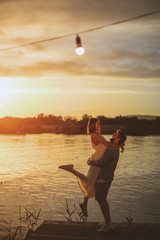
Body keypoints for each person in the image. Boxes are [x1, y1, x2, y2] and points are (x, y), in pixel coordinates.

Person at [59, 118, 124, 217]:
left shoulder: (97, 135)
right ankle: (71, 170)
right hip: (98, 158)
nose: (99, 124)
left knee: (90, 181)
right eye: (97, 123)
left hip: (98, 157)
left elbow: (106, 146)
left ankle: (84, 203)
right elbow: (106, 144)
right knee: (90, 181)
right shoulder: (94, 135)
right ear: (93, 125)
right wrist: (118, 145)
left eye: (99, 122)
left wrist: (119, 144)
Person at [87, 129, 127, 232]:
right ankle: (107, 221)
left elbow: (101, 162)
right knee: (102, 199)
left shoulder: (112, 150)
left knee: (101, 199)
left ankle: (108, 224)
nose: (113, 134)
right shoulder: (113, 148)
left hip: (103, 178)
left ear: (117, 139)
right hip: (105, 177)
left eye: (115, 134)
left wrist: (90, 162)